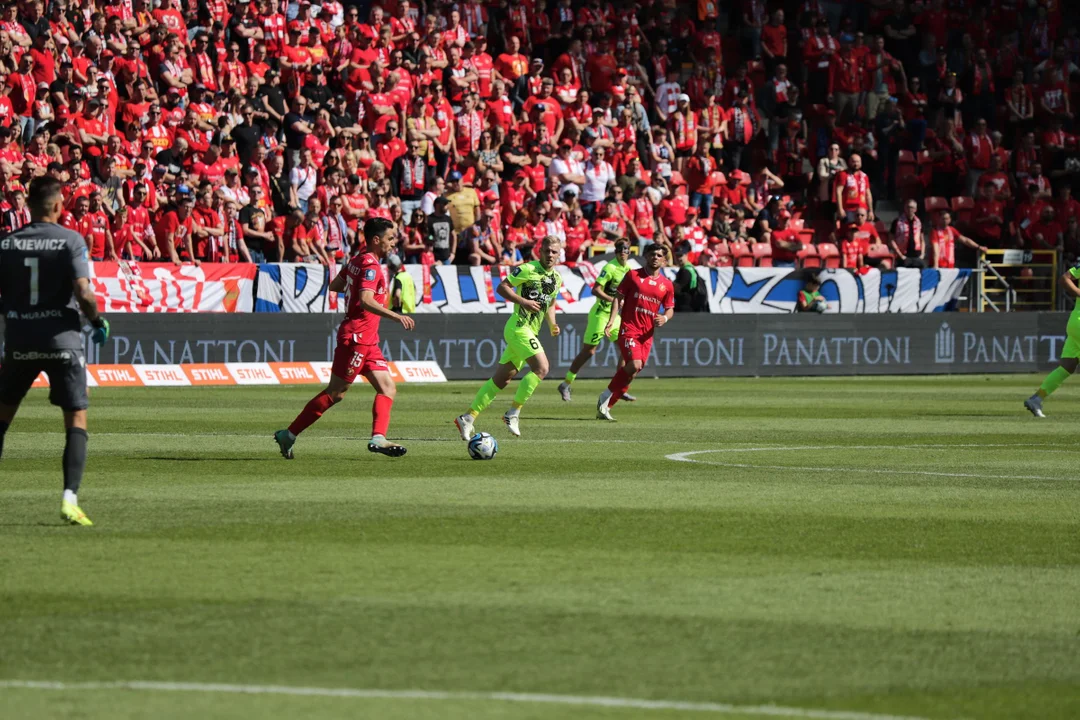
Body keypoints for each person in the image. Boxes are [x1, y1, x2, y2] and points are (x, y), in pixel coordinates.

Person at [0, 176, 109, 526]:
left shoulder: (7, 244)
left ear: (28, 206)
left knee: (2, 419)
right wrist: (96, 320)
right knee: (76, 418)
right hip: (62, 342)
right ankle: (69, 499)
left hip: (19, 341)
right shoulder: (71, 240)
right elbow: (84, 291)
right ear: (59, 206)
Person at [274, 218, 415, 459]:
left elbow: (336, 285)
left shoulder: (358, 260)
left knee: (388, 387)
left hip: (368, 340)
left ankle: (378, 438)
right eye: (390, 238)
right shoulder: (370, 266)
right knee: (336, 393)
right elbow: (366, 300)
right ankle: (289, 434)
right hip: (357, 338)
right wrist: (395, 315)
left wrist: (354, 282)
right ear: (376, 240)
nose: (394, 243)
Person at [455, 235, 562, 439]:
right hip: (518, 327)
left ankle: (467, 418)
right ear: (539, 251)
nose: (550, 255)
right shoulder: (527, 269)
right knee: (542, 368)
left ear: (559, 254)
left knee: (502, 379)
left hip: (531, 330)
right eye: (547, 251)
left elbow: (552, 303)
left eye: (554, 252)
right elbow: (502, 287)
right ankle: (513, 412)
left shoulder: (557, 278)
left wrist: (552, 324)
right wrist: (523, 301)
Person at [597, 243, 674, 421]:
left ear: (664, 261)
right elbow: (618, 298)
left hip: (646, 335)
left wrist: (665, 318)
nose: (655, 257)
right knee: (634, 365)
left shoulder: (667, 285)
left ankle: (606, 407)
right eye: (652, 254)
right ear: (646, 256)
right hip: (629, 328)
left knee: (632, 372)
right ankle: (605, 395)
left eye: (659, 255)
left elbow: (669, 308)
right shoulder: (633, 275)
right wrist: (611, 321)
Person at [558, 239, 634, 401]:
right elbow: (596, 290)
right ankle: (565, 384)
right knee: (589, 351)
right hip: (600, 314)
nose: (623, 252)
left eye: (625, 249)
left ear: (629, 252)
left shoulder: (628, 270)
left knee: (625, 350)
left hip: (615, 316)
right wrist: (612, 300)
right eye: (620, 249)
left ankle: (618, 387)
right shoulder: (610, 267)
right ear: (616, 252)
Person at [1026, 265, 1080, 418]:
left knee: (1067, 366)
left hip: (1075, 322)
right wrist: (1078, 292)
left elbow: (1065, 278)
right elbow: (1064, 279)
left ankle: (1036, 399)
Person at [672, 247, 707, 312]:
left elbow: (678, 289)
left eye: (681, 256)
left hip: (685, 306)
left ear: (686, 256)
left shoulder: (685, 271)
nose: (679, 258)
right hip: (691, 305)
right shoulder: (691, 268)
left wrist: (670, 284)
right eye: (676, 256)